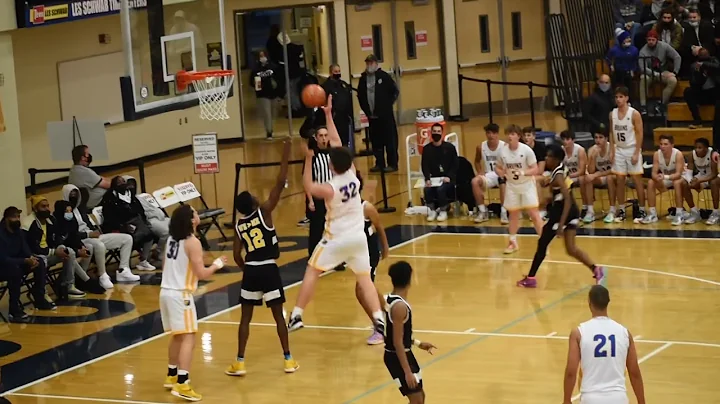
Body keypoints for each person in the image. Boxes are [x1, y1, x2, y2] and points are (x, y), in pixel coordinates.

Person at [287, 95, 385, 334]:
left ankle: (297, 315)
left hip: (337, 238)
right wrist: (328, 115)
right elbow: (336, 140)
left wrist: (308, 159)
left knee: (312, 270)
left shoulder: (330, 188)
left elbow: (309, 187)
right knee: (365, 279)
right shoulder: (352, 174)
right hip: (358, 238)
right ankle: (378, 318)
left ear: (332, 165)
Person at [225, 140, 299, 376]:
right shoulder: (265, 212)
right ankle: (288, 359)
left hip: (251, 270)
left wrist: (246, 268)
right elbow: (279, 182)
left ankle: (239, 361)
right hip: (268, 268)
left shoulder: (238, 224)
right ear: (254, 203)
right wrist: (286, 155)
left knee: (245, 318)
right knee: (278, 316)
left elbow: (237, 255)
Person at [161, 205, 227, 401]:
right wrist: (217, 265)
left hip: (166, 291)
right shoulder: (193, 242)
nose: (198, 214)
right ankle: (183, 383)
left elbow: (165, 266)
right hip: (181, 294)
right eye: (195, 213)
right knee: (189, 337)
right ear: (191, 220)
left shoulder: (171, 239)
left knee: (178, 336)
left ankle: (171, 375)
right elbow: (202, 274)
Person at [517, 144, 605, 288]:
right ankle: (596, 269)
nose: (546, 158)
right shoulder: (560, 170)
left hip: (562, 214)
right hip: (570, 212)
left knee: (543, 243)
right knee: (571, 249)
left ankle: (531, 278)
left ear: (556, 159)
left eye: (549, 156)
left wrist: (561, 225)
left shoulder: (557, 175)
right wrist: (548, 199)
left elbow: (567, 199)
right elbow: (562, 193)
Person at [562, 285, 646, 404]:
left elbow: (571, 371)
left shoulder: (579, 333)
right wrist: (641, 402)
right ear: (608, 303)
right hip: (619, 398)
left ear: (589, 303)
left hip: (591, 398)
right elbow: (634, 372)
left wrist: (566, 400)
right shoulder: (624, 333)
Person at [381, 261, 436, 404]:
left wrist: (417, 343)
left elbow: (395, 333)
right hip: (397, 356)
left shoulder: (388, 299)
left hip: (403, 353)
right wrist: (407, 372)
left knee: (420, 397)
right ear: (409, 279)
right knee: (417, 399)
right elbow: (397, 342)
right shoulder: (400, 307)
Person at [62, 184, 134, 286]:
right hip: (81, 240)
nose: (74, 198)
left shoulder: (81, 209)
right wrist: (88, 234)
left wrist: (95, 230)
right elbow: (70, 233)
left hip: (94, 237)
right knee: (99, 245)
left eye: (76, 195)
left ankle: (123, 270)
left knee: (127, 238)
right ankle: (102, 275)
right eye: (71, 195)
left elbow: (90, 224)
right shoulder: (65, 211)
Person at [22, 195, 87, 300]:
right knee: (42, 260)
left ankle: (68, 286)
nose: (47, 209)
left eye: (48, 206)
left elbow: (56, 239)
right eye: (43, 206)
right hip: (35, 256)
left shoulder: (51, 220)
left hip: (49, 252)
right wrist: (54, 251)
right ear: (35, 208)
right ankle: (42, 292)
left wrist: (60, 248)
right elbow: (33, 248)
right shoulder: (28, 224)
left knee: (69, 252)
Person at [495, 124, 544, 254]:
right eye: (508, 134)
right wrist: (502, 173)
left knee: (534, 214)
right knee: (513, 214)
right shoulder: (503, 151)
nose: (509, 136)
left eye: (512, 134)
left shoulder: (526, 150)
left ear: (518, 136)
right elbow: (498, 167)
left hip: (527, 185)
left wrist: (523, 172)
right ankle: (512, 242)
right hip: (512, 186)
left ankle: (543, 242)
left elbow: (536, 169)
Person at [0, 207, 55, 322]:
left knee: (39, 262)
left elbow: (25, 249)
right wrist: (24, 261)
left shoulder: (18, 232)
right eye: (14, 217)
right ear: (6, 219)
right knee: (14, 270)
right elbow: (3, 259)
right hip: (4, 267)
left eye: (18, 216)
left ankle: (39, 298)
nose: (17, 219)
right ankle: (14, 309)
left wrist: (31, 258)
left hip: (18, 263)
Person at [356, 172, 389, 345]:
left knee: (361, 291)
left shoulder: (366, 207)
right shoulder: (345, 208)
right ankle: (388, 313)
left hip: (369, 252)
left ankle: (380, 328)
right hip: (356, 254)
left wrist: (385, 247)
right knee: (369, 290)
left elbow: (380, 226)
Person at [101, 176, 156, 273]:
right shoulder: (109, 197)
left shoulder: (131, 195)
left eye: (123, 181)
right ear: (114, 186)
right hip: (118, 225)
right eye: (119, 182)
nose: (122, 184)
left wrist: (143, 222)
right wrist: (123, 226)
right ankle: (125, 267)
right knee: (130, 238)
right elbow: (109, 216)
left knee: (149, 234)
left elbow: (140, 210)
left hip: (135, 221)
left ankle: (143, 260)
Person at [609, 86, 646, 223]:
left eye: (621, 97)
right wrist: (612, 150)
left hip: (631, 148)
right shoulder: (612, 114)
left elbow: (640, 133)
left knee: (637, 181)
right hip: (619, 149)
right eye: (616, 97)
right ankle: (622, 209)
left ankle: (642, 210)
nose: (618, 99)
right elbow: (611, 133)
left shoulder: (634, 114)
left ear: (626, 98)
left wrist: (637, 152)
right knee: (619, 180)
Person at [358, 54, 400, 172]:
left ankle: (392, 164)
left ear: (376, 63)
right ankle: (379, 163)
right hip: (372, 117)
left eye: (371, 63)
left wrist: (387, 105)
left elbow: (395, 91)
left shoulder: (384, 77)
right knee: (376, 141)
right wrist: (366, 110)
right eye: (367, 63)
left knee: (390, 141)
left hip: (385, 116)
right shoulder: (363, 78)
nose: (369, 65)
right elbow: (360, 96)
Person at [640, 134, 687, 224]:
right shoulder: (657, 154)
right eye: (661, 144)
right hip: (666, 178)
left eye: (665, 144)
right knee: (650, 182)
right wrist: (656, 177)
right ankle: (653, 214)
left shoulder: (678, 154)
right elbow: (653, 172)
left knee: (677, 183)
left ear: (672, 145)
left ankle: (679, 214)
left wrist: (664, 177)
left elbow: (678, 174)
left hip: (681, 177)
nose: (662, 146)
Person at [124, 176, 170, 257]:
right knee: (166, 232)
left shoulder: (138, 198)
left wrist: (159, 214)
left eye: (133, 184)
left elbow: (151, 208)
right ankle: (158, 253)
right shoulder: (125, 201)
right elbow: (141, 214)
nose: (132, 187)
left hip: (159, 218)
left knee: (179, 225)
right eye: (129, 184)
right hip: (149, 220)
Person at [421, 123, 459, 222]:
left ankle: (443, 210)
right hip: (434, 178)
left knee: (441, 189)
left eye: (438, 131)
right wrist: (427, 178)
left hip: (448, 178)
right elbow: (424, 166)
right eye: (434, 131)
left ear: (442, 133)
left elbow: (455, 164)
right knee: (427, 189)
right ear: (431, 133)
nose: (436, 133)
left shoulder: (450, 148)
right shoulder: (427, 149)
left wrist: (449, 176)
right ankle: (432, 210)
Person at [638, 30, 681, 115]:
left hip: (663, 71)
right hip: (649, 73)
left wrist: (675, 72)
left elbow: (677, 57)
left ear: (657, 40)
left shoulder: (664, 46)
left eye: (652, 40)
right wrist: (656, 74)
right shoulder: (643, 51)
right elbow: (643, 68)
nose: (650, 42)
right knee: (643, 78)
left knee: (673, 80)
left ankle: (661, 103)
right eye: (649, 40)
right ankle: (643, 106)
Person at [305, 127, 333, 258]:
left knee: (333, 228)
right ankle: (314, 256)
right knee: (316, 229)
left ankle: (334, 257)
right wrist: (310, 199)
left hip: (331, 197)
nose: (323, 138)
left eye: (325, 135)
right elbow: (306, 179)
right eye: (321, 135)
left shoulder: (332, 153)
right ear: (316, 138)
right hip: (317, 198)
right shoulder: (312, 155)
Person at [471, 123, 507, 223]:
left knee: (503, 180)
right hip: (489, 175)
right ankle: (483, 211)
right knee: (474, 181)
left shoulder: (504, 146)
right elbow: (477, 161)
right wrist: (479, 171)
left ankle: (504, 212)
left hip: (502, 174)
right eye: (488, 133)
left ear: (497, 134)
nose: (491, 135)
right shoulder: (481, 147)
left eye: (493, 133)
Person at [682, 137, 718, 224]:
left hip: (713, 176)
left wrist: (699, 180)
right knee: (683, 183)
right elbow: (689, 171)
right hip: (702, 176)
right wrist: (691, 181)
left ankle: (716, 213)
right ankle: (694, 212)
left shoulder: (712, 154)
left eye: (700, 148)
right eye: (696, 147)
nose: (697, 150)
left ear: (706, 148)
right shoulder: (691, 154)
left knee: (713, 183)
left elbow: (714, 174)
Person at [584, 130, 617, 223]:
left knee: (610, 178)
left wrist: (597, 174)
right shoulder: (592, 150)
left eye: (601, 137)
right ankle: (590, 211)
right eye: (596, 138)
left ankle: (612, 210)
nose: (598, 140)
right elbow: (590, 171)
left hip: (616, 176)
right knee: (588, 179)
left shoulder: (613, 148)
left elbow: (614, 169)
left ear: (606, 139)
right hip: (602, 176)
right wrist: (592, 158)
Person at [684, 47, 720, 129]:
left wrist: (705, 65)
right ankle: (697, 120)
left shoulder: (714, 61)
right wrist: (697, 74)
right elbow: (693, 84)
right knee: (688, 92)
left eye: (706, 57)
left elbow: (718, 66)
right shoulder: (694, 66)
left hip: (715, 94)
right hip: (703, 94)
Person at [322, 63, 354, 148]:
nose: (338, 73)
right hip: (333, 120)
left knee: (345, 143)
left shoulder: (344, 85)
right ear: (330, 72)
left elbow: (349, 102)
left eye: (339, 71)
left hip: (344, 119)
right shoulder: (325, 86)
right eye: (335, 71)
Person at [250, 50, 281, 140]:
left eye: (263, 56)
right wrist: (256, 85)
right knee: (267, 113)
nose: (262, 58)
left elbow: (279, 79)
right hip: (262, 95)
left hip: (274, 94)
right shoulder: (255, 70)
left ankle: (271, 128)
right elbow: (251, 82)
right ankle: (269, 132)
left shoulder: (273, 67)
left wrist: (279, 91)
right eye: (260, 56)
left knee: (274, 113)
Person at [559, 130, 590, 218]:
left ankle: (585, 206)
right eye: (563, 139)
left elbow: (582, 170)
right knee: (558, 181)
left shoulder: (580, 150)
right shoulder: (561, 150)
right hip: (568, 176)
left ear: (573, 140)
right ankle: (565, 207)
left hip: (579, 175)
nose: (565, 141)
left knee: (581, 179)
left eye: (567, 139)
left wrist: (568, 176)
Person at [679, 8, 717, 77]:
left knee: (704, 52)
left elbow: (709, 41)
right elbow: (686, 42)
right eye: (690, 17)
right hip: (694, 50)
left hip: (707, 48)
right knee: (684, 50)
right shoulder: (687, 27)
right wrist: (692, 47)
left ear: (699, 17)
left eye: (694, 17)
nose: (692, 19)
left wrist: (701, 48)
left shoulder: (707, 25)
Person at [522, 127, 549, 219]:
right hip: (528, 175)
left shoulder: (540, 148)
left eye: (529, 135)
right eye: (524, 135)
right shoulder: (521, 148)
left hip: (545, 174)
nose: (526, 138)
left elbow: (540, 170)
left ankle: (541, 210)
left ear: (534, 137)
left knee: (534, 180)